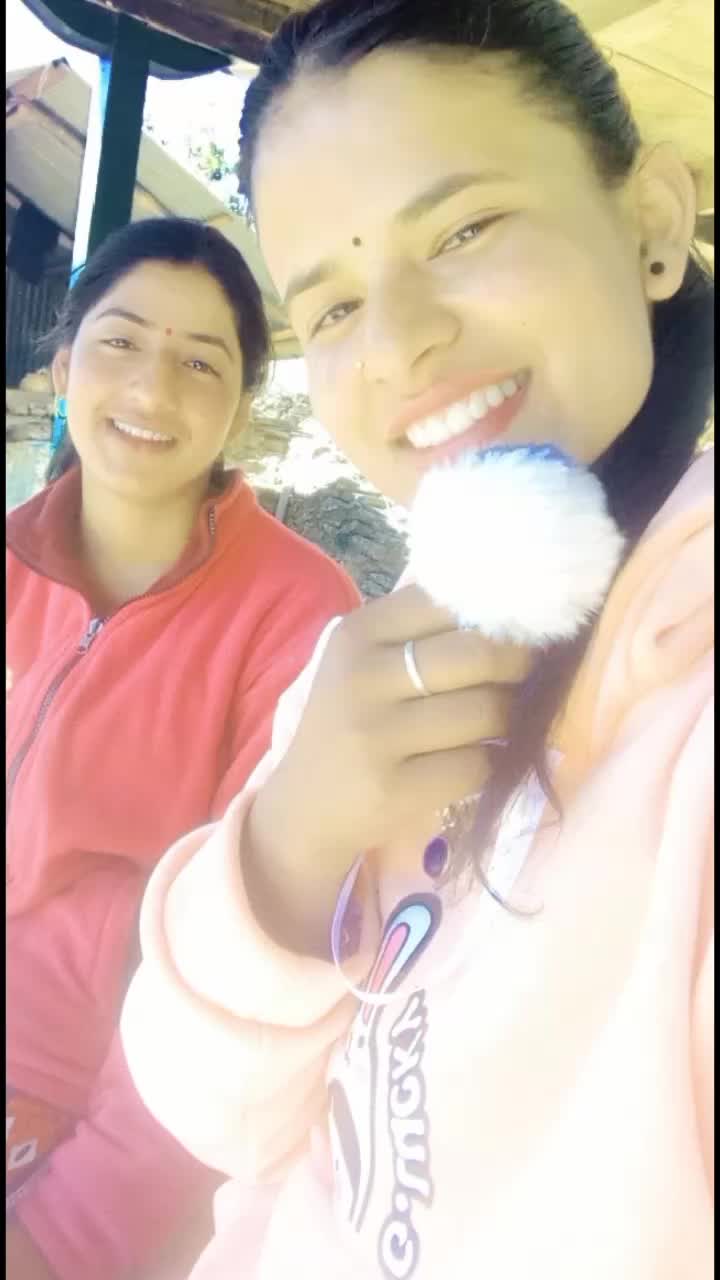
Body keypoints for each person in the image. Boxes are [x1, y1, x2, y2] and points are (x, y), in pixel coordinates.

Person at [121, 4, 714, 1278]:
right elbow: (214, 1118)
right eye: (332, 307)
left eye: (462, 230)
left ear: (655, 224)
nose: (395, 345)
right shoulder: (366, 666)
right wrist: (285, 852)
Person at [6, 216, 360, 1280]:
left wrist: (64, 1239)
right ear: (64, 366)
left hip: (76, 1121)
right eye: (119, 343)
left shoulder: (299, 617)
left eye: (200, 362)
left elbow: (252, 967)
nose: (151, 390)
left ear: (241, 408)